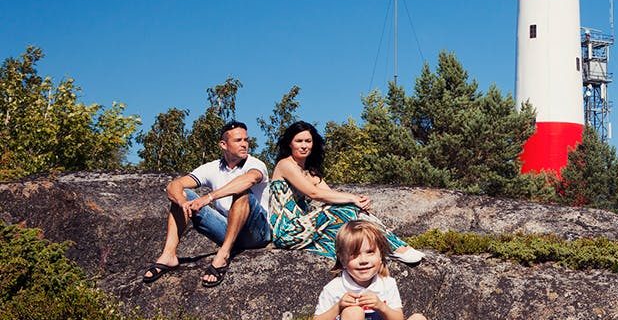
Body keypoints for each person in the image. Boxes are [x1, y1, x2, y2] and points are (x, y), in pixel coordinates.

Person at [267, 121, 424, 265]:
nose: (304, 146)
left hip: (304, 229)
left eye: (308, 141)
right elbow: (315, 193)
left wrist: (358, 203)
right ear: (290, 143)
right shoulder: (285, 165)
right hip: (287, 232)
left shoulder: (310, 172)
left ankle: (384, 246)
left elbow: (331, 196)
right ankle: (397, 248)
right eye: (299, 141)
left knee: (348, 213)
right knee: (344, 208)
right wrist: (353, 198)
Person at [143, 120, 271, 288]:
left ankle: (223, 255)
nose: (244, 144)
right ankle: (169, 255)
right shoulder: (212, 168)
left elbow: (248, 180)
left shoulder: (255, 164)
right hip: (228, 230)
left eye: (246, 140)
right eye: (238, 140)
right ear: (224, 144)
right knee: (181, 193)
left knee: (242, 191)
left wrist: (209, 197)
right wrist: (183, 203)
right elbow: (173, 186)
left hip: (256, 233)